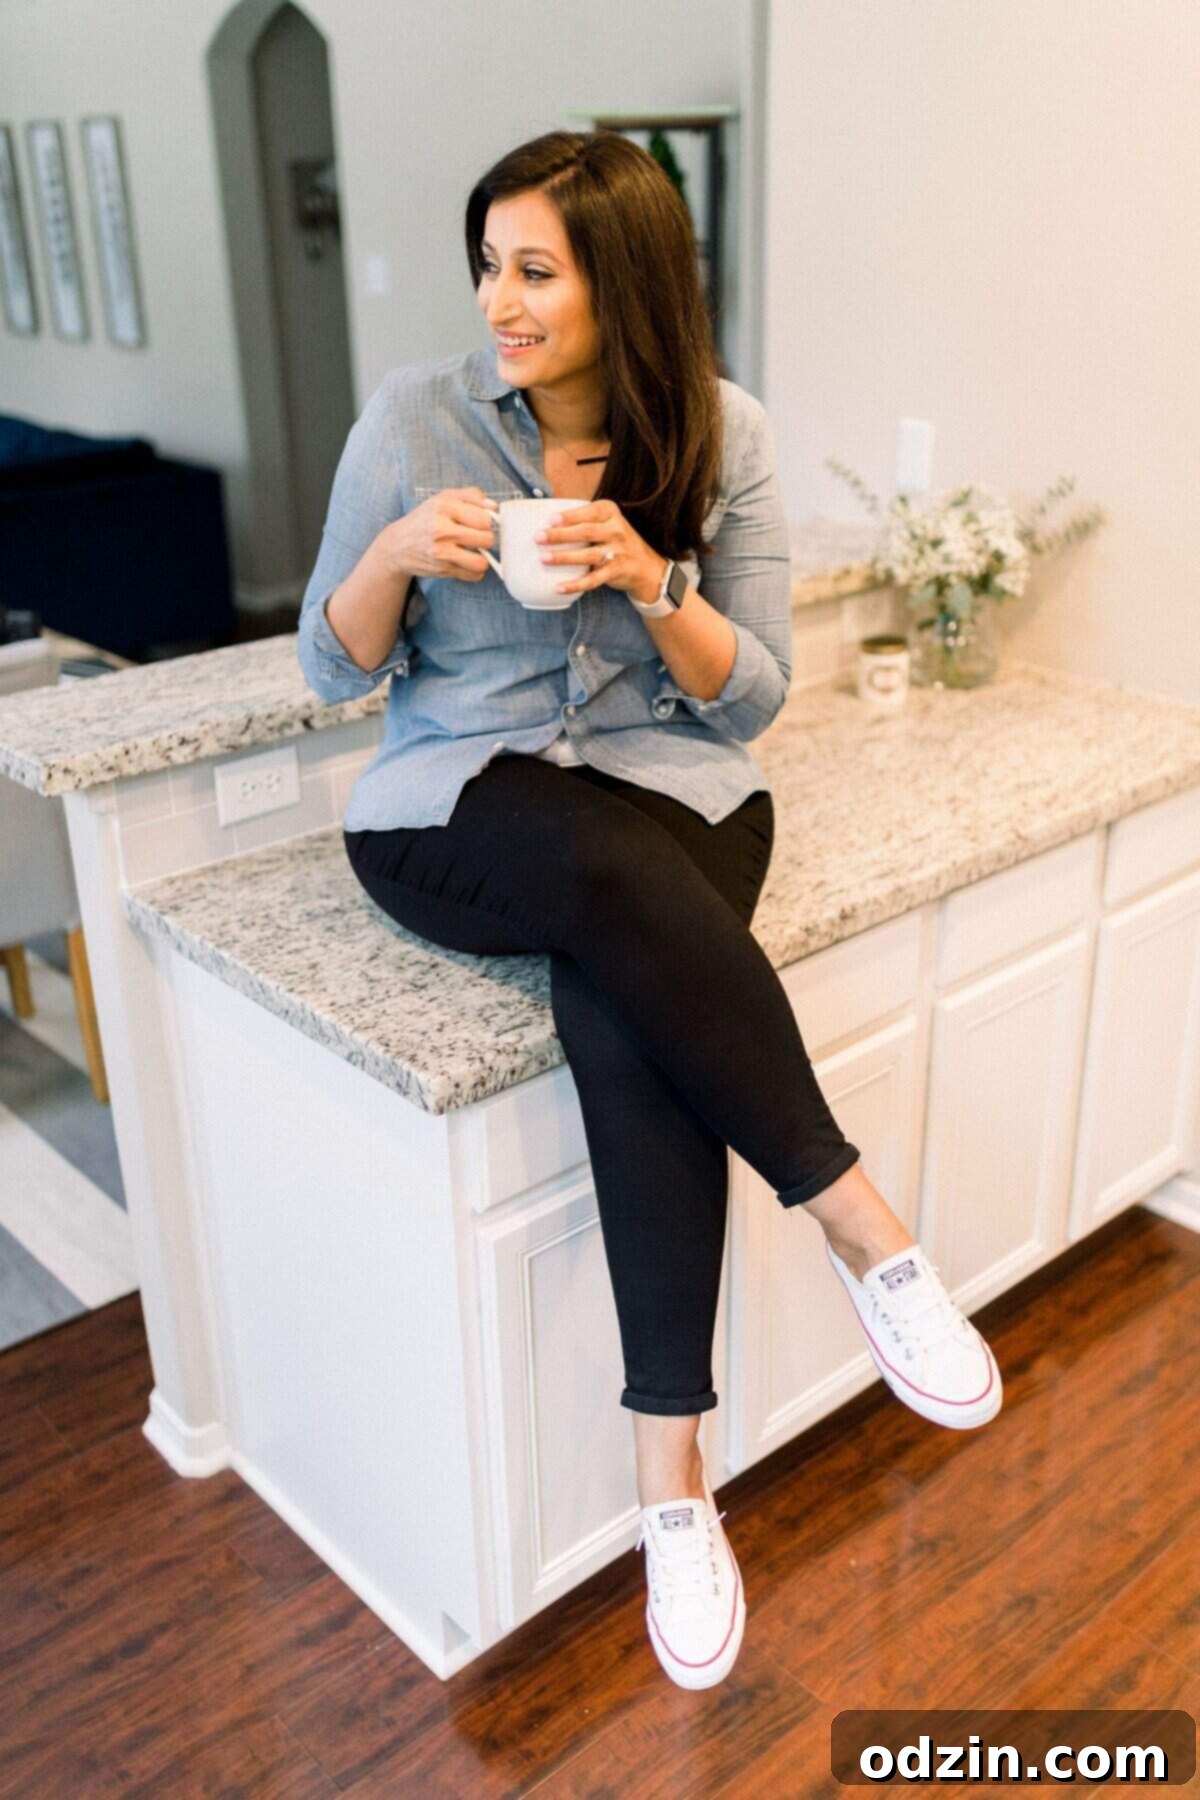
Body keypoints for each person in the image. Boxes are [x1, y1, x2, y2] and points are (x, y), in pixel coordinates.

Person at [296, 128, 1002, 1691]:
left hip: (673, 792)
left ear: (621, 281)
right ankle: (866, 1229)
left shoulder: (722, 433)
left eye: (534, 270)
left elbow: (746, 705)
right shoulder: (415, 422)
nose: (501, 300)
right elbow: (330, 668)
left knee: (629, 1008)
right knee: (610, 883)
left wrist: (651, 583)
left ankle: (668, 1487)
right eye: (489, 264)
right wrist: (403, 555)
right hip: (455, 808)